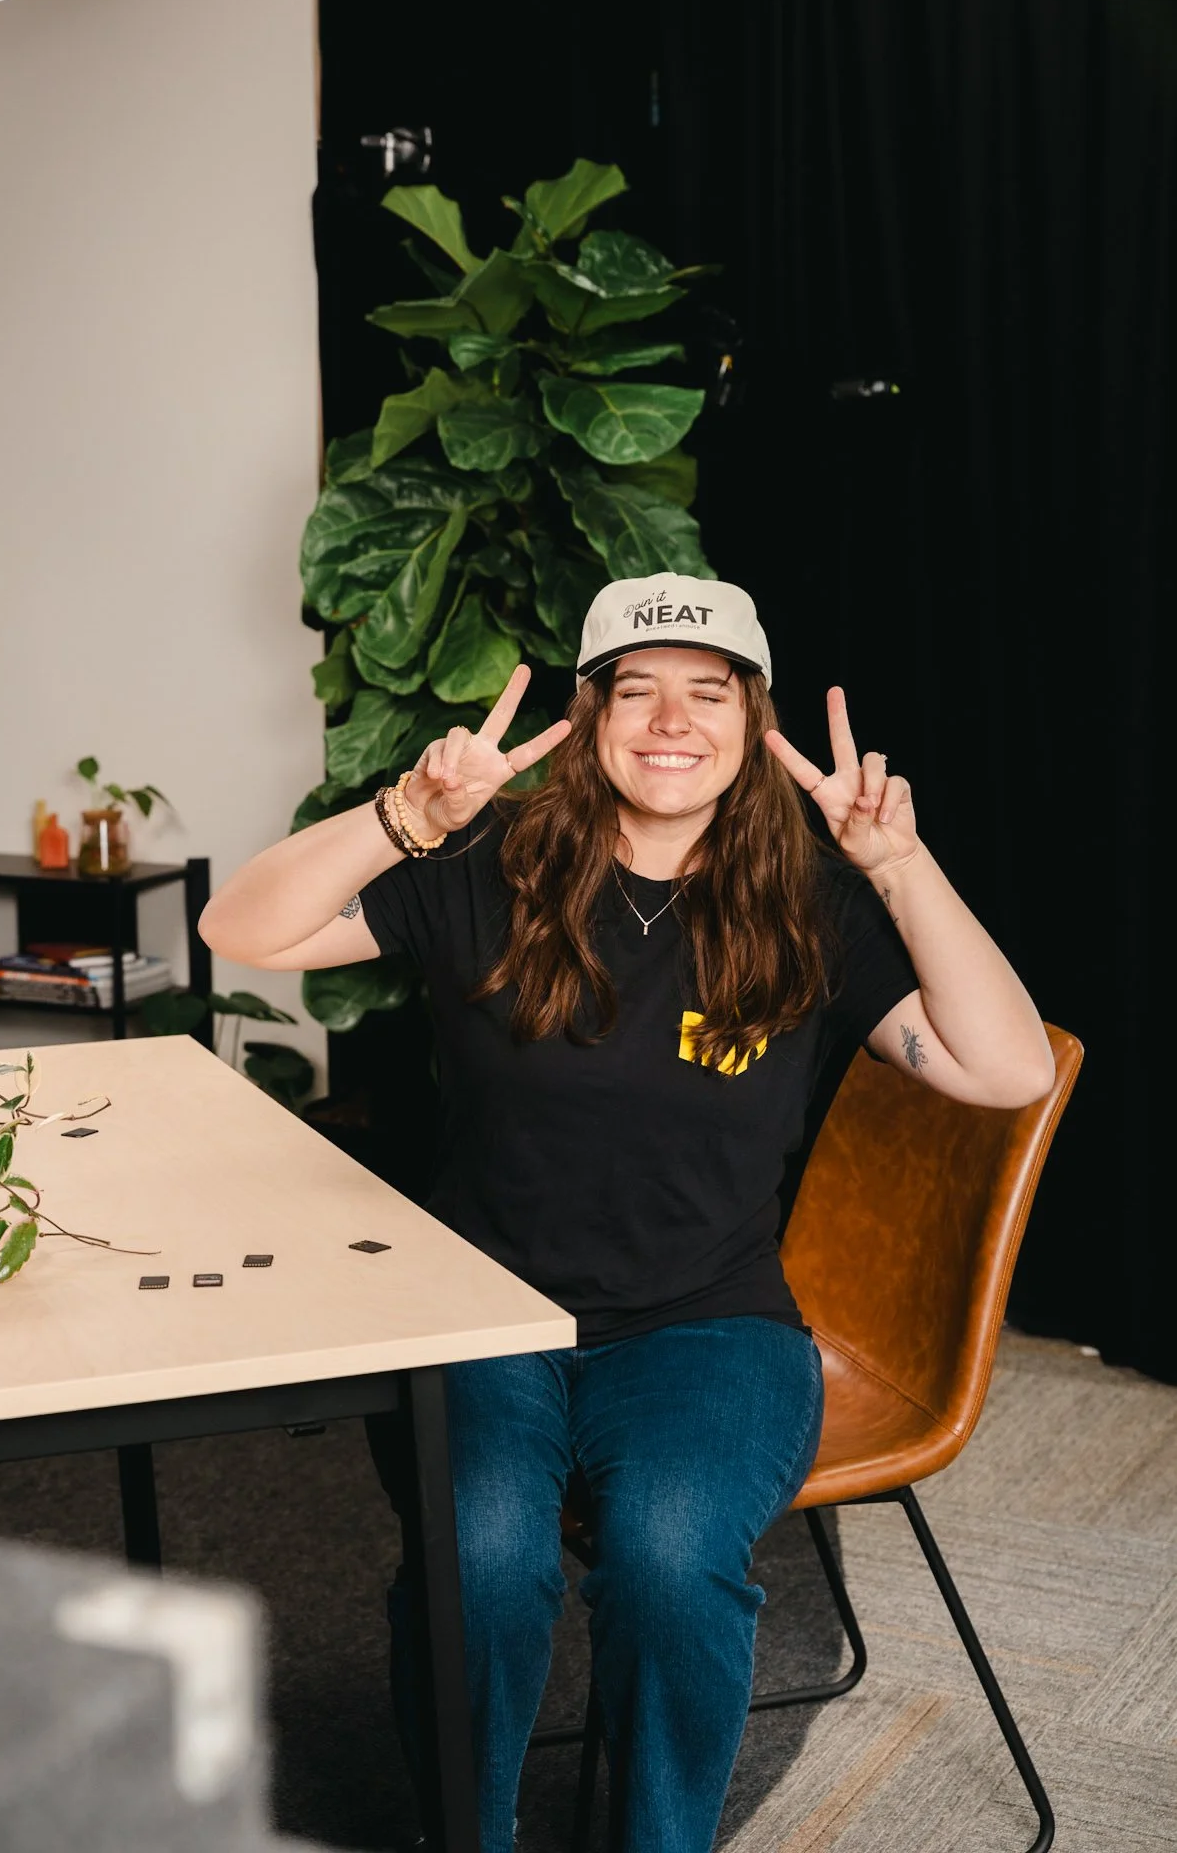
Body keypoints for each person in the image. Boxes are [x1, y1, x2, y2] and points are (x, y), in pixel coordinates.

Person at [198, 572, 1054, 1853]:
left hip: (708, 1322)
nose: (670, 720)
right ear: (592, 715)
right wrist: (406, 813)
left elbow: (1010, 1069)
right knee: (481, 1564)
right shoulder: (493, 861)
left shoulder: (812, 900)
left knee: (666, 1559)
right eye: (636, 690)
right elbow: (241, 927)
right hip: (476, 1311)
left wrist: (900, 860)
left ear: (752, 718)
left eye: (706, 693)